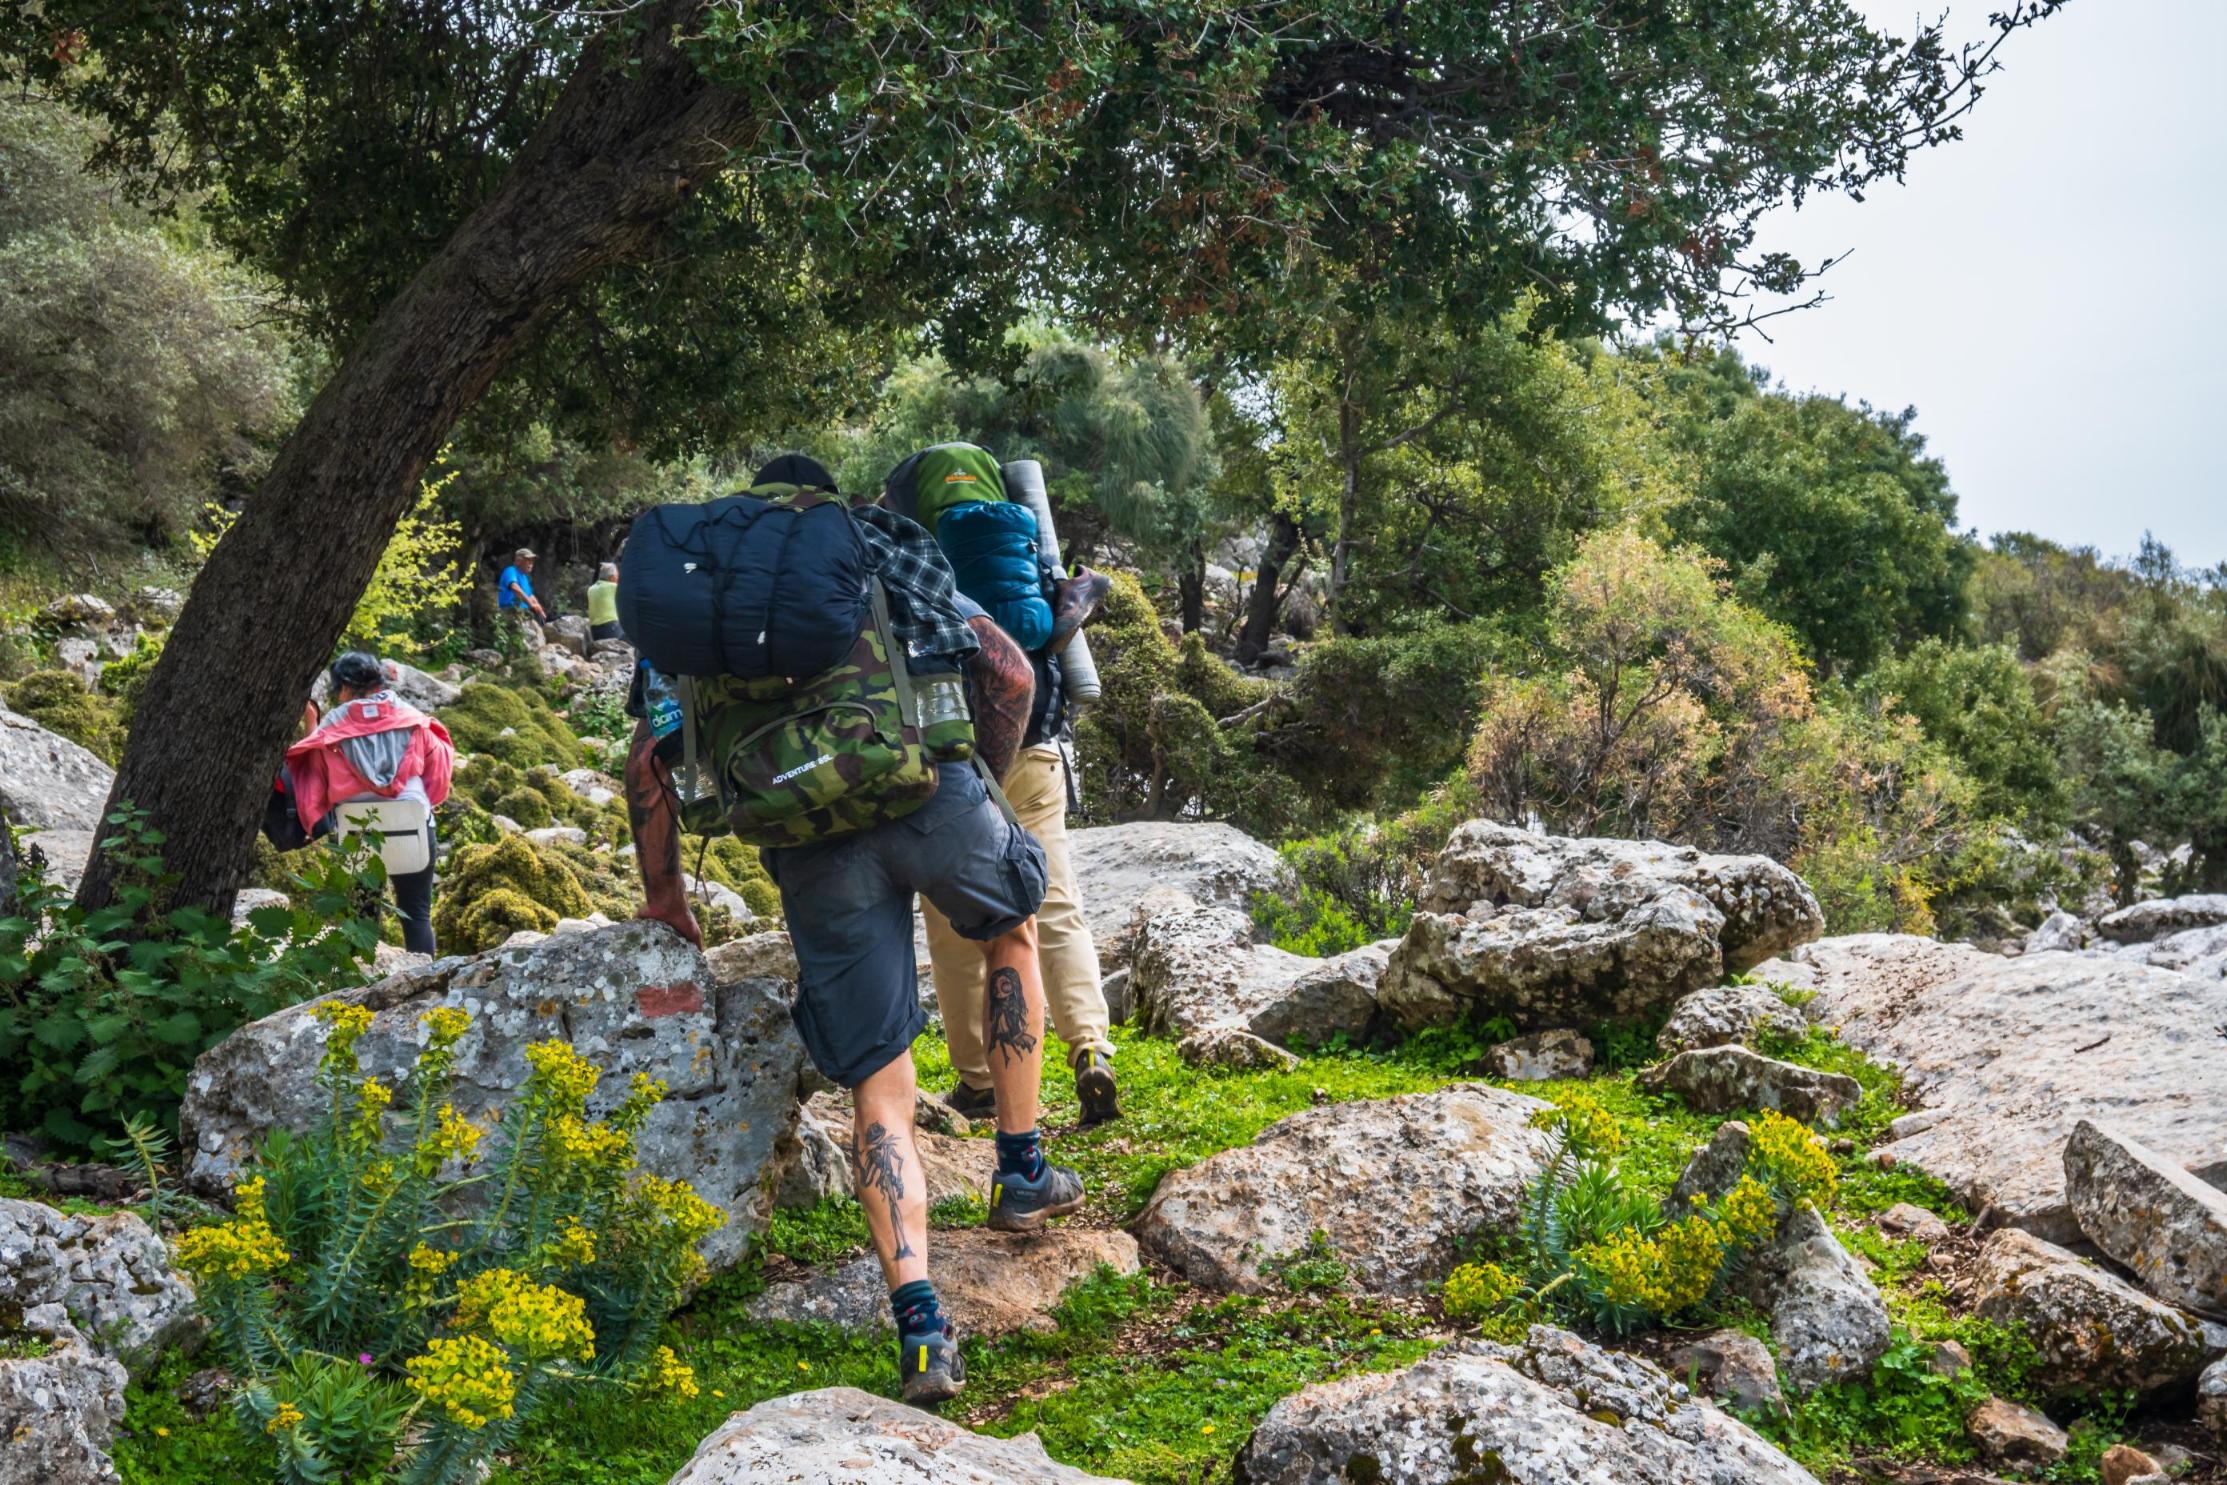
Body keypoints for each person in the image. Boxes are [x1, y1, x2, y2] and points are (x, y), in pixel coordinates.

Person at [626, 453, 1080, 1407]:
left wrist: (666, 897)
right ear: (821, 496)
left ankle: (921, 1330)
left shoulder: (693, 592)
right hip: (929, 794)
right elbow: (1002, 664)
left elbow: (651, 759)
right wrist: (976, 787)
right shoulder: (875, 537)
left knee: (878, 1077)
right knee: (1010, 926)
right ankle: (1022, 1167)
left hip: (806, 840)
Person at [882, 450, 1120, 1125]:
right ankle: (1090, 1050)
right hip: (1036, 742)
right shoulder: (1023, 548)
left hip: (952, 760)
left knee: (955, 922)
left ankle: (981, 1078)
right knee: (1053, 903)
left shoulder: (907, 554)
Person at [279, 651, 455, 954]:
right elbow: (438, 773)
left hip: (359, 831)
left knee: (364, 917)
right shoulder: (411, 718)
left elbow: (311, 782)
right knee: (416, 914)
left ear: (344, 688)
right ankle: (429, 986)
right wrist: (432, 802)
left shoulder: (332, 726)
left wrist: (312, 726)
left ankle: (361, 990)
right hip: (412, 823)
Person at [496, 547, 546, 632]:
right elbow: (515, 588)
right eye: (528, 560)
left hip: (522, 613)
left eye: (532, 561)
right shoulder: (510, 571)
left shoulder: (524, 577)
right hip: (510, 612)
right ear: (518, 561)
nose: (531, 564)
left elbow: (530, 595)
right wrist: (531, 604)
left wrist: (539, 609)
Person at [586, 561, 622, 642]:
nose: (618, 578)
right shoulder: (613, 587)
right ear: (611, 578)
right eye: (617, 576)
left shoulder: (591, 589)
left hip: (594, 631)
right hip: (611, 628)